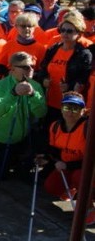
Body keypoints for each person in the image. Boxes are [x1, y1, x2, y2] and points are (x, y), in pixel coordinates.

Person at [38, 92, 95, 224]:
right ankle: (73, 188)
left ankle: (89, 208)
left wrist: (68, 166)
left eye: (75, 108)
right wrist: (46, 157)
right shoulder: (55, 126)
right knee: (51, 187)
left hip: (86, 168)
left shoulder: (88, 128)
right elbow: (54, 149)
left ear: (83, 110)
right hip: (67, 166)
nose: (70, 112)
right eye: (67, 107)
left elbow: (90, 160)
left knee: (80, 177)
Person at [0, 51, 46, 178]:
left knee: (23, 175)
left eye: (32, 66)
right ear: (13, 69)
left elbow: (41, 112)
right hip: (3, 137)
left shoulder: (35, 86)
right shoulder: (1, 85)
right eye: (25, 67)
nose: (30, 69)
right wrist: (13, 94)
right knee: (0, 175)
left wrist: (33, 95)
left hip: (23, 136)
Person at [37, 11, 92, 128]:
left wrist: (70, 86)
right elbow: (42, 69)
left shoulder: (83, 54)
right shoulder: (53, 49)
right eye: (63, 30)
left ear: (79, 33)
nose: (65, 33)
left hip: (69, 105)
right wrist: (44, 79)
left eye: (70, 31)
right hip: (49, 100)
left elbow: (84, 79)